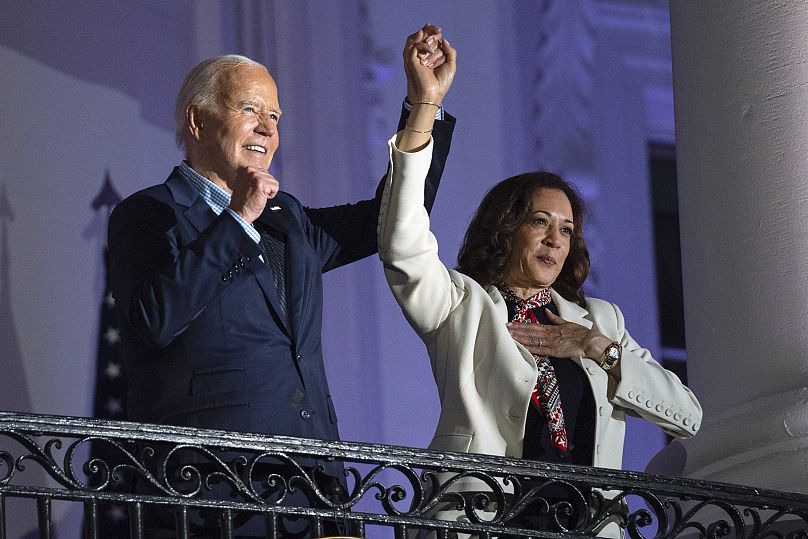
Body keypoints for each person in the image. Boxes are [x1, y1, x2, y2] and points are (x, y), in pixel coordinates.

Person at [107, 24, 455, 537]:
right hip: (211, 499)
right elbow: (154, 320)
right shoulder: (149, 215)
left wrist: (423, 105)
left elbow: (391, 219)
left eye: (274, 116)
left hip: (314, 494)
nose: (268, 128)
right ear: (198, 121)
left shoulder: (287, 220)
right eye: (250, 110)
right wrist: (237, 220)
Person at [378, 54, 702, 537]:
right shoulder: (461, 305)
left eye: (567, 229)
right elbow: (402, 243)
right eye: (540, 222)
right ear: (506, 230)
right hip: (485, 522)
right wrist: (425, 106)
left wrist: (599, 350)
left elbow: (691, 419)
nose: (556, 239)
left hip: (583, 526)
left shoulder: (600, 320)